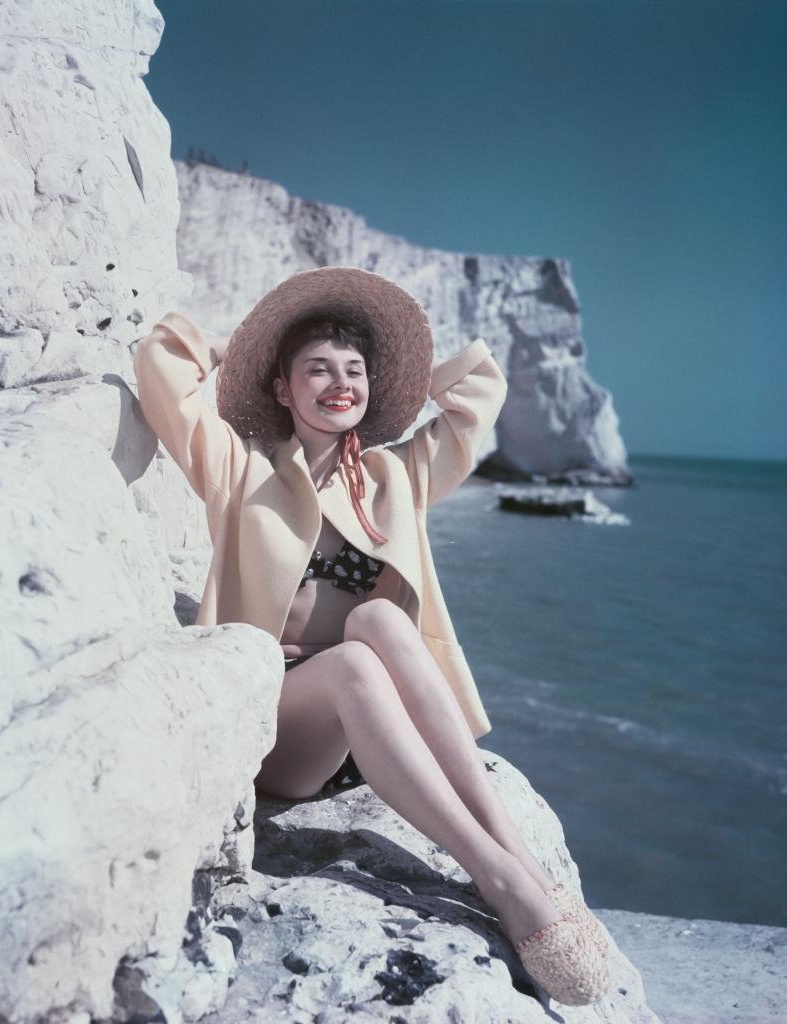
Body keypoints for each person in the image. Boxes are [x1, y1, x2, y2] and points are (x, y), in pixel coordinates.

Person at [133, 266, 609, 1006]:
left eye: (353, 372)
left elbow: (477, 398)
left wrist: (410, 379)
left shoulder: (395, 476)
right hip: (274, 732)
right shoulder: (239, 469)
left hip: (365, 743)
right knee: (358, 655)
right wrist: (238, 348)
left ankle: (512, 849)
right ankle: (499, 876)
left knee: (379, 619)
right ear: (282, 390)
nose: (339, 384)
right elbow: (159, 368)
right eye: (316, 371)